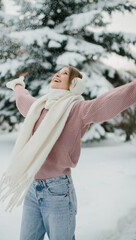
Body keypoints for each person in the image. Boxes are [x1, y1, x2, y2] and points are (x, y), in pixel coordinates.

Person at [9, 65, 136, 240]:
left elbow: (107, 103)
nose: (58, 74)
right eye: (58, 72)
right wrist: (18, 84)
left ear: (74, 83)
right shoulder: (39, 107)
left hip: (58, 191)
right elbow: (24, 99)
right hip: (32, 188)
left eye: (65, 73)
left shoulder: (78, 110)